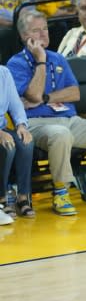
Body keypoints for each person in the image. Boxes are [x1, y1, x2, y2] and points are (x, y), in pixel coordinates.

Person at [7, 10, 86, 216]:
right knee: (59, 134)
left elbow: (74, 93)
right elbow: (33, 93)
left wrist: (46, 98)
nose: (43, 34)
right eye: (36, 31)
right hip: (36, 124)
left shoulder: (58, 58)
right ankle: (61, 192)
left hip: (70, 119)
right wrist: (40, 61)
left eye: (45, 29)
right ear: (23, 36)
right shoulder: (16, 64)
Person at [0, 66, 34, 220]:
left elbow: (15, 104)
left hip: (2, 127)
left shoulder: (3, 72)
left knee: (25, 142)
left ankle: (22, 196)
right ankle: (1, 199)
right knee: (7, 146)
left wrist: (21, 125)